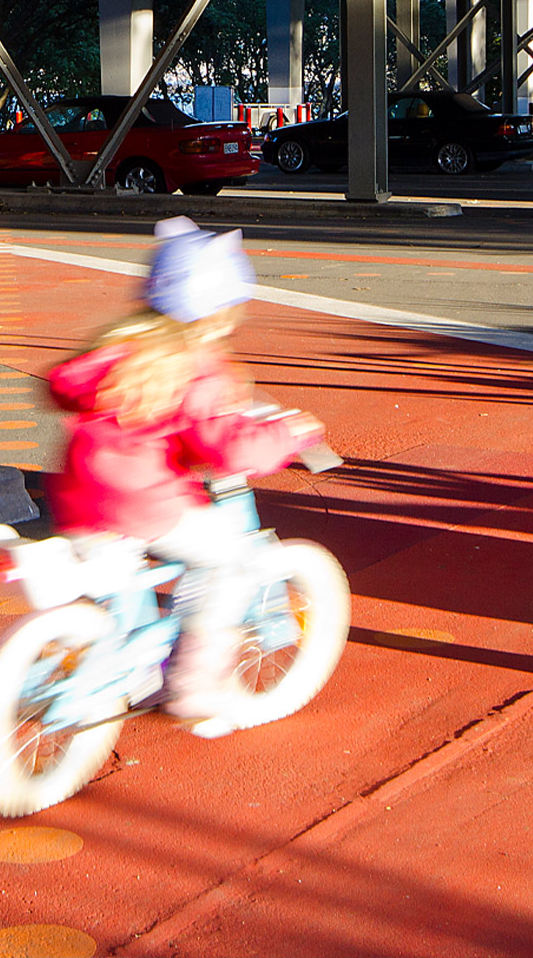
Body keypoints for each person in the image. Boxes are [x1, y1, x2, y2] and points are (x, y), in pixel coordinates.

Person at [43, 215, 323, 731]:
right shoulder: (196, 366)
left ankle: (131, 672)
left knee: (120, 567)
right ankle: (196, 686)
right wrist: (289, 436)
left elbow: (61, 386)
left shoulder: (116, 348)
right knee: (226, 560)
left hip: (77, 496)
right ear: (215, 314)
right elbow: (228, 450)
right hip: (143, 501)